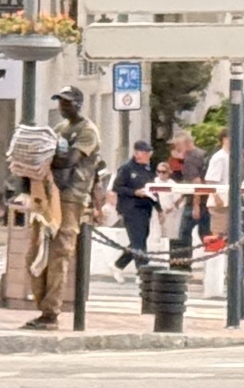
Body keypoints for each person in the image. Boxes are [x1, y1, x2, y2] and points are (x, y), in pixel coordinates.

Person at [24, 86, 104, 329]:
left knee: (60, 253)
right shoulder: (60, 129)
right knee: (35, 253)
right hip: (50, 194)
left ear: (78, 104)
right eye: (60, 102)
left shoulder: (87, 131)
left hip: (72, 196)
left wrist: (44, 157)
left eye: (67, 102)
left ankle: (51, 313)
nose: (63, 106)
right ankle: (42, 307)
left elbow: (71, 159)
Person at [111, 139, 155, 270]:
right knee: (138, 241)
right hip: (130, 208)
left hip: (145, 207)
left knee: (141, 239)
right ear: (137, 153)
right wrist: (135, 192)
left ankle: (118, 265)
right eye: (144, 152)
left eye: (148, 152)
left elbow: (152, 188)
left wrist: (158, 207)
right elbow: (117, 187)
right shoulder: (126, 168)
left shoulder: (147, 169)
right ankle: (143, 270)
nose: (147, 155)